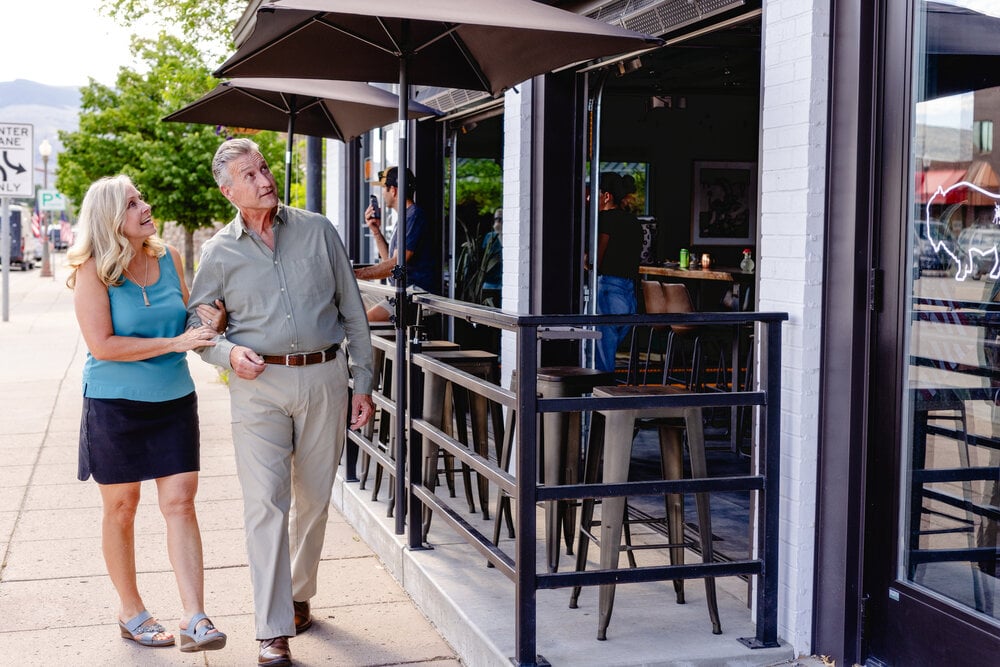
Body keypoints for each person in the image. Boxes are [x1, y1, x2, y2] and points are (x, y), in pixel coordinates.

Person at [187, 138, 375, 667]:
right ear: (228, 191)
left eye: (264, 168)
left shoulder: (319, 230)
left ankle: (296, 594)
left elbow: (354, 314)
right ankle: (272, 629)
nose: (264, 179)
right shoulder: (218, 252)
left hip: (324, 379)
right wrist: (227, 351)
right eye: (248, 175)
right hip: (259, 387)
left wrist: (363, 383)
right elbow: (197, 327)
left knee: (313, 499)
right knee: (265, 505)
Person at [67, 175, 228, 653]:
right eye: (132, 202)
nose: (145, 205)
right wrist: (176, 342)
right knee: (121, 508)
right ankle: (131, 610)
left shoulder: (168, 257)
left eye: (141, 198)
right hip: (115, 404)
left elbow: (182, 322)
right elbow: (104, 345)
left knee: (180, 502)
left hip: (174, 399)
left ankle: (195, 617)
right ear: (110, 218)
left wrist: (205, 323)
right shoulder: (92, 271)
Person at [354, 166, 435, 321]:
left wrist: (356, 274)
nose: (382, 194)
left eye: (384, 188)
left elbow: (395, 265)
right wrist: (375, 231)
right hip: (400, 291)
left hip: (415, 294)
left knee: (363, 323)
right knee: (351, 310)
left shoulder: (414, 216)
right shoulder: (405, 218)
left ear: (393, 190)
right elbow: (389, 261)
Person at [594, 172, 643, 373]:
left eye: (596, 194)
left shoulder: (605, 219)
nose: (590, 198)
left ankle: (601, 402)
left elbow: (596, 261)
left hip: (608, 291)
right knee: (609, 353)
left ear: (607, 196)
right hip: (629, 294)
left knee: (603, 361)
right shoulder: (634, 222)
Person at [480, 208, 503, 307]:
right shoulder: (489, 236)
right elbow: (484, 257)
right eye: (496, 219)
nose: (498, 222)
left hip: (502, 283)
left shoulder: (511, 236)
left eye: (500, 219)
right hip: (489, 282)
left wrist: (500, 235)